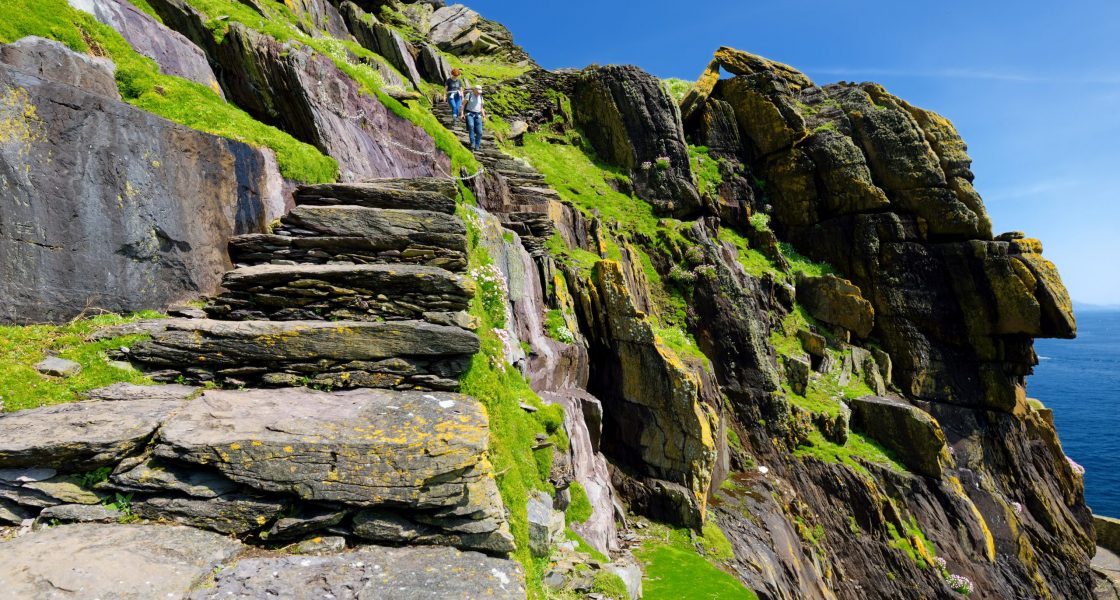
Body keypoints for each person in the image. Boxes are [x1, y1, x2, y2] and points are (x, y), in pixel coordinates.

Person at [462, 85, 486, 151]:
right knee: (471, 126)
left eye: (480, 92)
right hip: (469, 114)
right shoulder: (469, 95)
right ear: (474, 90)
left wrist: (484, 116)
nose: (479, 93)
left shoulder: (481, 97)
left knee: (480, 132)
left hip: (478, 115)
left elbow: (481, 108)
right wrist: (462, 114)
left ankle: (477, 145)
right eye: (478, 92)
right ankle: (472, 143)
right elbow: (463, 104)